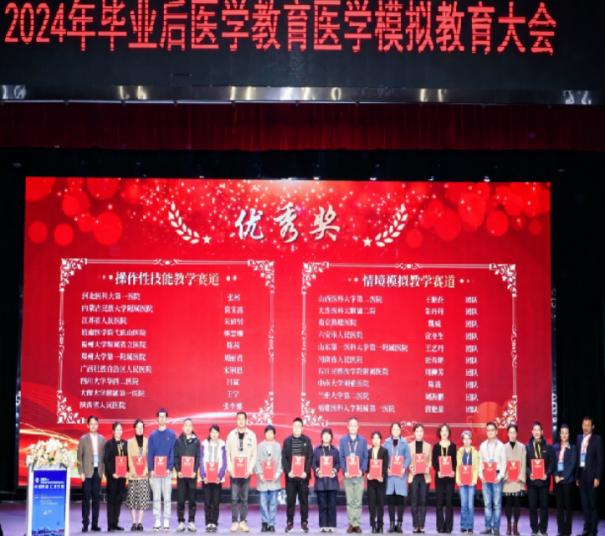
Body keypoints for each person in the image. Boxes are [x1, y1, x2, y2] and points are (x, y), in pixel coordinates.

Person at [226, 411, 258, 533]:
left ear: (246, 421)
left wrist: (250, 469)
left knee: (244, 498)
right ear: (236, 420)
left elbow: (254, 454)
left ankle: (243, 522)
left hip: (246, 472)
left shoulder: (252, 435)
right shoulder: (231, 435)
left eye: (242, 419)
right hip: (234, 472)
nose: (240, 421)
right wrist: (230, 468)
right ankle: (234, 522)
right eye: (238, 419)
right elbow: (227, 453)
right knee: (234, 498)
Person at [148, 408, 178, 532]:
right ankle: (157, 519)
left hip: (167, 472)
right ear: (157, 419)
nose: (161, 418)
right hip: (155, 472)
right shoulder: (152, 436)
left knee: (167, 497)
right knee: (156, 496)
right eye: (159, 416)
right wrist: (151, 469)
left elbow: (173, 452)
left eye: (163, 416)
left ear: (166, 419)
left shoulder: (172, 435)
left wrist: (169, 468)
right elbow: (150, 453)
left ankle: (166, 519)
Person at [283, 417, 314, 533]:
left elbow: (310, 457)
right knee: (290, 501)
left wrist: (306, 472)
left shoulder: (307, 440)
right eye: (294, 426)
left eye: (299, 426)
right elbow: (284, 458)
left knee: (304, 501)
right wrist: (288, 472)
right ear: (292, 427)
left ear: (302, 428)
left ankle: (304, 523)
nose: (296, 428)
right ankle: (289, 523)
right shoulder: (287, 441)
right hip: (291, 477)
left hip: (303, 477)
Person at [77, 415, 106, 533]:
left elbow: (104, 458)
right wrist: (81, 472)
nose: (93, 426)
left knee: (96, 500)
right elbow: (79, 457)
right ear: (87, 425)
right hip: (87, 473)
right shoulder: (83, 439)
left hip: (97, 472)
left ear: (98, 425)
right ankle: (85, 524)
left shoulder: (102, 439)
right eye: (91, 424)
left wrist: (102, 472)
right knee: (86, 499)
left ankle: (95, 524)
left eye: (95, 424)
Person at [574, 416, 603, 536]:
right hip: (581, 476)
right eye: (584, 425)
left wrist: (598, 477)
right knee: (585, 504)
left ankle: (593, 530)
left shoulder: (597, 439)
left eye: (588, 425)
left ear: (592, 427)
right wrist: (576, 476)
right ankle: (586, 529)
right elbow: (577, 458)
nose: (585, 427)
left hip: (592, 477)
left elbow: (600, 460)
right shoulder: (578, 438)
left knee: (593, 504)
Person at [339, 417, 369, 534]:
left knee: (358, 500)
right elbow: (341, 456)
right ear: (347, 427)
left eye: (355, 425)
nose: (353, 427)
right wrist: (345, 470)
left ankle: (357, 524)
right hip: (348, 475)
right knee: (350, 500)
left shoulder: (363, 440)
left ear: (358, 427)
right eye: (350, 425)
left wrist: (362, 470)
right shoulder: (343, 440)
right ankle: (351, 523)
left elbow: (365, 456)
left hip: (359, 475)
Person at [479, 421, 506, 536]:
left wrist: (500, 477)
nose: (490, 432)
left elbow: (504, 463)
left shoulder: (501, 446)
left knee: (497, 504)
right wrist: (481, 476)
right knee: (487, 504)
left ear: (496, 431)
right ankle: (487, 527)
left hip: (497, 477)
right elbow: (480, 462)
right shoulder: (482, 445)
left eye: (492, 430)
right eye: (488, 430)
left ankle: (496, 528)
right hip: (486, 477)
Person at [383, 423, 411, 534]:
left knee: (400, 501)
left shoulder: (404, 443)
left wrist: (404, 468)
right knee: (390, 500)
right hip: (390, 476)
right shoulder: (386, 442)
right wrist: (386, 468)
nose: (395, 431)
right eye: (393, 429)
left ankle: (399, 525)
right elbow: (384, 457)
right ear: (391, 430)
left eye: (397, 429)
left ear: (400, 430)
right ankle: (391, 524)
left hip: (400, 476)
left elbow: (408, 458)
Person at [174, 418, 201, 533]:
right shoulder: (178, 441)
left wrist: (195, 470)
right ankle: (181, 522)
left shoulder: (196, 441)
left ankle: (191, 521)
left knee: (192, 499)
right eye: (186, 425)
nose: (188, 427)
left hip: (192, 476)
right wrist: (178, 470)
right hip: (181, 475)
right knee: (180, 499)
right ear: (183, 427)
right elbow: (175, 457)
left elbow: (198, 458)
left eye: (190, 425)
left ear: (192, 427)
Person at [526, 421, 552, 536]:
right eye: (534, 430)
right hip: (532, 482)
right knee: (532, 507)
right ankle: (534, 529)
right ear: (532, 432)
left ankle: (543, 529)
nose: (537, 432)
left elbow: (551, 463)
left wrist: (547, 473)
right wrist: (529, 473)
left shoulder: (548, 446)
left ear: (542, 432)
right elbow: (525, 464)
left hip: (544, 482)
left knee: (544, 507)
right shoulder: (527, 447)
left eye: (538, 430)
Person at [200, 424, 227, 533]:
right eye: (212, 432)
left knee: (216, 502)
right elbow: (201, 461)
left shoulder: (222, 445)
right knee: (207, 502)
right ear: (209, 433)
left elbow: (224, 462)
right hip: (206, 478)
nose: (214, 434)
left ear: (219, 433)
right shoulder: (204, 444)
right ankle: (208, 523)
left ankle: (214, 522)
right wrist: (203, 476)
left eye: (216, 432)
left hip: (217, 479)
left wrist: (220, 476)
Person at [255, 424, 282, 533]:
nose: (269, 434)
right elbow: (257, 461)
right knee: (263, 503)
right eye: (267, 432)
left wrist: (277, 474)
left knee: (273, 504)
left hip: (274, 480)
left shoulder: (278, 446)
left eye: (271, 433)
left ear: (274, 434)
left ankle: (271, 524)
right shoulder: (260, 446)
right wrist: (260, 474)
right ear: (264, 434)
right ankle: (264, 522)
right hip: (263, 480)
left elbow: (280, 461)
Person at [313, 428, 340, 533]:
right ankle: (323, 525)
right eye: (324, 435)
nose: (326, 437)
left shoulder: (335, 450)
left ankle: (332, 525)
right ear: (321, 437)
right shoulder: (317, 450)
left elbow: (338, 463)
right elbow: (313, 463)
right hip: (320, 481)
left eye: (328, 435)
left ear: (331, 437)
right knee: (322, 505)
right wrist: (317, 470)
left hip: (332, 481)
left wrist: (335, 470)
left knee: (332, 505)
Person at [126, 419, 151, 532]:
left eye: (142, 427)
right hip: (133, 475)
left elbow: (148, 457)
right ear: (134, 429)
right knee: (132, 500)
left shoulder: (147, 441)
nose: (140, 429)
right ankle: (133, 523)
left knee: (142, 499)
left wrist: (145, 470)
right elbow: (129, 458)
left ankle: (140, 522)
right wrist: (133, 471)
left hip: (143, 475)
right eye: (138, 427)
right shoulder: (130, 442)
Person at [552, 424, 577, 536]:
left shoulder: (573, 447)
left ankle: (567, 530)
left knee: (568, 506)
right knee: (559, 506)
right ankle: (560, 529)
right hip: (557, 481)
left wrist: (564, 477)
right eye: (562, 433)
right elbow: (553, 463)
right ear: (560, 434)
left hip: (568, 481)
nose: (564, 435)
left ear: (569, 434)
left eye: (566, 433)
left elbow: (572, 464)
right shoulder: (555, 447)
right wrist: (555, 475)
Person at [432, 424, 457, 534]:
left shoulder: (453, 446)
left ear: (448, 432)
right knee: (439, 503)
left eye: (446, 430)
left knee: (449, 502)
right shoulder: (436, 446)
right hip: (439, 478)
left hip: (450, 478)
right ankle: (440, 526)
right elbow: (434, 462)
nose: (444, 432)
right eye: (442, 430)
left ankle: (449, 526)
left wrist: (453, 471)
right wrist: (438, 471)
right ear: (439, 433)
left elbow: (455, 461)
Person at [104, 421, 128, 532]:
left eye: (120, 430)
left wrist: (127, 471)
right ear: (113, 431)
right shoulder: (109, 444)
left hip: (122, 477)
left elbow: (127, 459)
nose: (119, 432)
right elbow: (107, 460)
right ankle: (110, 525)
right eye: (117, 430)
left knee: (119, 500)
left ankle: (115, 523)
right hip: (113, 477)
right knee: (111, 501)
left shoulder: (125, 443)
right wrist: (112, 473)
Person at [408, 423, 431, 534]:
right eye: (417, 431)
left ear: (423, 433)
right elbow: (408, 460)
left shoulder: (428, 446)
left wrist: (427, 467)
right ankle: (415, 525)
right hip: (413, 476)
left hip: (424, 477)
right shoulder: (409, 446)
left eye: (421, 431)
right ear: (414, 433)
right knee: (414, 501)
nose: (419, 433)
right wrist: (411, 467)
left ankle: (421, 525)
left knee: (423, 501)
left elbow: (430, 461)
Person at [503, 424, 526, 536]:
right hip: (507, 480)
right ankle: (508, 525)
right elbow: (502, 463)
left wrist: (520, 477)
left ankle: (515, 525)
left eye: (514, 432)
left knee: (517, 504)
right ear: (507, 434)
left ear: (517, 434)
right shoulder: (503, 447)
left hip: (518, 480)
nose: (512, 434)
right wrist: (506, 476)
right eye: (510, 432)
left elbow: (524, 463)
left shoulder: (522, 447)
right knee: (508, 503)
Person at [456, 430, 480, 535]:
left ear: (471, 440)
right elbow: (458, 467)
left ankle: (470, 527)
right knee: (463, 505)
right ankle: (463, 526)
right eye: (464, 439)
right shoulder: (459, 452)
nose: (466, 441)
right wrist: (458, 480)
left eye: (468, 438)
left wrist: (474, 480)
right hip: (462, 482)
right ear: (462, 440)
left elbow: (476, 468)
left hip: (471, 483)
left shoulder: (475, 452)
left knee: (470, 505)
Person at [367, 431, 389, 533]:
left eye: (378, 438)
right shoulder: (368, 451)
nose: (376, 440)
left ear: (381, 440)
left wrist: (382, 475)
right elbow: (366, 465)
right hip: (371, 482)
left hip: (381, 482)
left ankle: (380, 525)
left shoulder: (384, 451)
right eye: (374, 438)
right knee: (371, 504)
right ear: (372, 440)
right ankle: (372, 525)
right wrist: (367, 473)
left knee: (380, 504)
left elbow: (385, 465)